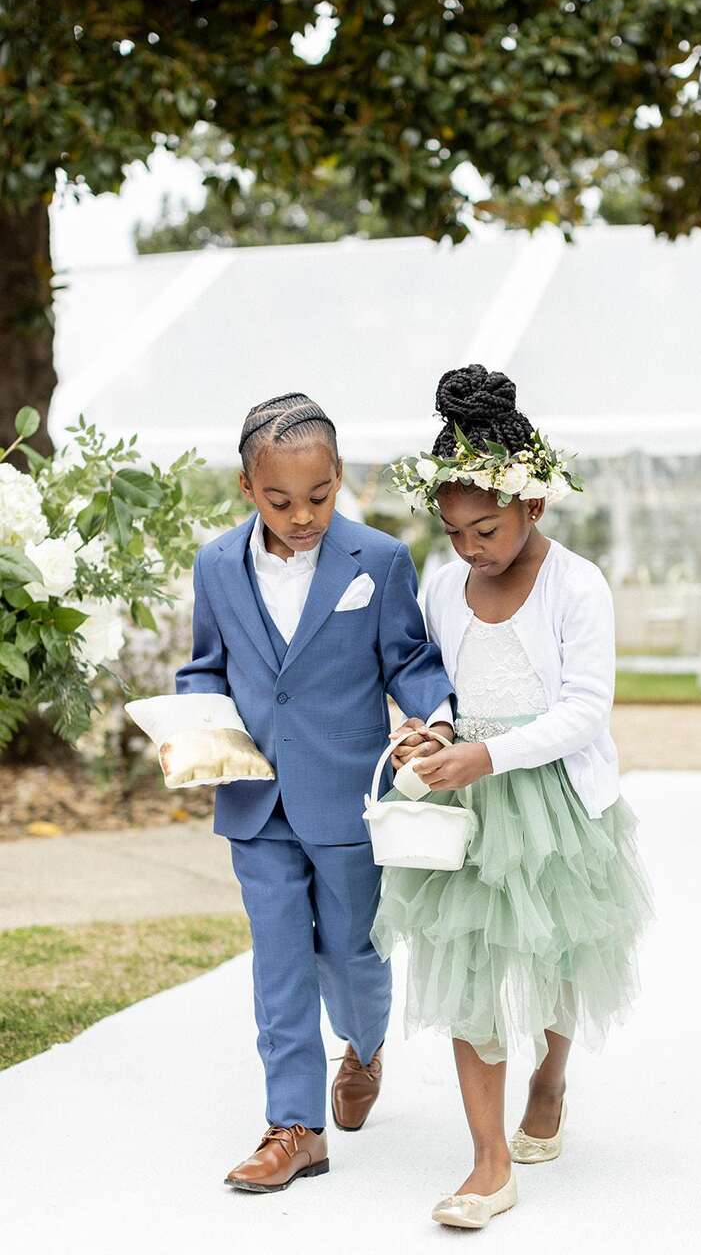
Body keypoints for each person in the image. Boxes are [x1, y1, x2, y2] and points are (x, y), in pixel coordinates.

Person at [371, 364, 656, 1229]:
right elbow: (438, 680)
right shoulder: (441, 579)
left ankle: (552, 1076)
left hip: (554, 802)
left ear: (534, 505)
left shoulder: (577, 585)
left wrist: (488, 753)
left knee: (563, 955)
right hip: (469, 801)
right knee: (466, 970)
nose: (469, 548)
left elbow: (584, 710)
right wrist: (434, 729)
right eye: (453, 531)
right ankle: (489, 1163)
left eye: (485, 529)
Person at [174, 393, 455, 1192]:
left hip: (347, 800)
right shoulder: (217, 566)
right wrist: (192, 724)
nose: (303, 516)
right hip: (254, 799)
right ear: (245, 488)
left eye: (320, 497)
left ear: (341, 478)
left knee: (352, 951)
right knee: (281, 961)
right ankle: (293, 1127)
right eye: (280, 500)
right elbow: (206, 665)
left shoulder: (380, 560)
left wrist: (433, 721)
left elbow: (408, 660)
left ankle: (364, 1047)